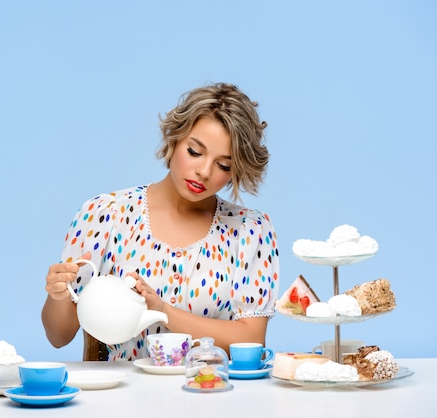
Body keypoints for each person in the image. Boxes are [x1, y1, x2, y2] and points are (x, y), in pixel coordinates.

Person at [41, 82, 279, 361]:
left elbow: (251, 340)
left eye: (224, 165)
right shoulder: (106, 214)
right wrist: (57, 296)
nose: (203, 171)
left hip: (210, 393)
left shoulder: (250, 231)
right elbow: (58, 337)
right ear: (175, 138)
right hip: (119, 398)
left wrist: (164, 312)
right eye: (194, 152)